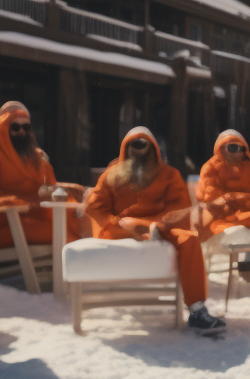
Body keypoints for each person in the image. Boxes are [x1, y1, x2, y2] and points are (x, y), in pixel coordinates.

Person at [84, 127, 223, 334]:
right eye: (133, 144)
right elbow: (94, 208)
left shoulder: (170, 175)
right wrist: (117, 223)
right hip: (124, 228)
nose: (137, 149)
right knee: (127, 224)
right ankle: (139, 226)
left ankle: (197, 309)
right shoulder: (111, 175)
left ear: (153, 148)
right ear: (125, 148)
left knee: (190, 239)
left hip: (161, 228)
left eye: (142, 144)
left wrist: (158, 224)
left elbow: (179, 209)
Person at [0, 102, 82, 248]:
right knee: (65, 233)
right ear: (4, 128)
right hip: (0, 225)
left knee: (80, 225)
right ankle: (66, 270)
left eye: (26, 127)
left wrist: (71, 189)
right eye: (15, 127)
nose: (22, 132)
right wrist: (23, 205)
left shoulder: (32, 156)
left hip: (32, 218)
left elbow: (49, 187)